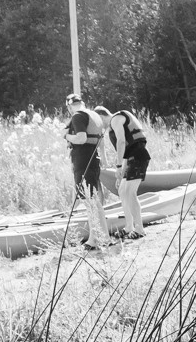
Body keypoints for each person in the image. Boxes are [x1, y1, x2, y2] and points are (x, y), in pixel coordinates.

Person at [64, 94, 111, 250]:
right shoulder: (94, 115)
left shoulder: (78, 116)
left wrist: (66, 135)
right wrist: (104, 159)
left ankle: (93, 239)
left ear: (69, 106)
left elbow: (81, 138)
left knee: (89, 201)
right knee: (95, 201)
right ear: (82, 102)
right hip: (93, 159)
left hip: (83, 160)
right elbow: (101, 140)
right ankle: (105, 237)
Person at [100, 105, 151, 239]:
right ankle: (129, 227)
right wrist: (121, 173)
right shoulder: (115, 122)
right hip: (131, 158)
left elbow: (122, 142)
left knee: (130, 192)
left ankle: (139, 229)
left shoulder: (115, 119)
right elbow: (126, 153)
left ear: (101, 117)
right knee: (122, 190)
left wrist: (117, 166)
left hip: (138, 157)